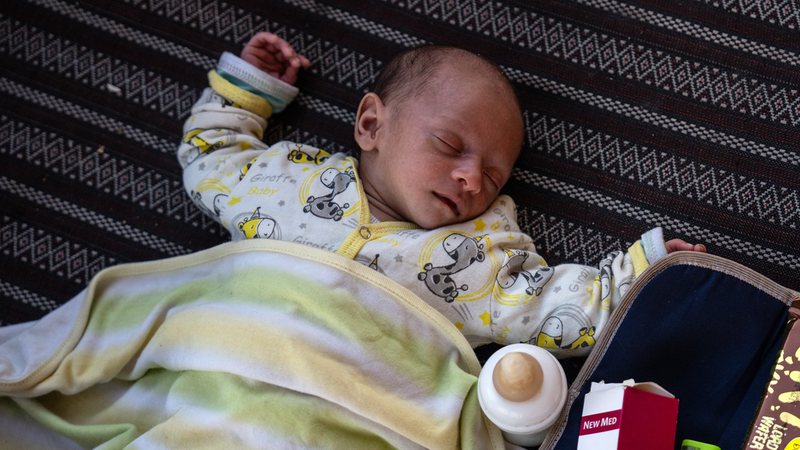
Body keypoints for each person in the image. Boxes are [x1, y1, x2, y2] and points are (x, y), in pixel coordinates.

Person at [178, 32, 705, 356]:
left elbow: (556, 311)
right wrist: (248, 88)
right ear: (370, 125)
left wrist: (645, 272)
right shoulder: (287, 180)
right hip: (220, 358)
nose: (472, 179)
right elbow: (213, 156)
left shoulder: (477, 260)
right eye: (449, 144)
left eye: (494, 177)